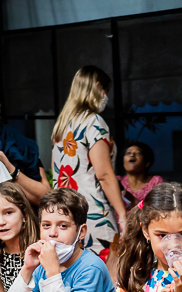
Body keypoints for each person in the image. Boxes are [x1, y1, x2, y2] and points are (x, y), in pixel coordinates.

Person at [3, 187, 118, 292]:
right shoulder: (42, 266)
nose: (52, 233)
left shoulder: (91, 267)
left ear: (81, 232)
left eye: (63, 226)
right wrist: (27, 269)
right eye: (46, 225)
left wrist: (52, 271)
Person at [50, 66, 127, 255]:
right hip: (93, 214)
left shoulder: (62, 125)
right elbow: (104, 174)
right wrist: (122, 214)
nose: (106, 98)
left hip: (63, 213)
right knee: (103, 276)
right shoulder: (93, 122)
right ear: (99, 87)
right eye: (106, 92)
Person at [118, 141, 164, 207]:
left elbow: (159, 209)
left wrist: (131, 199)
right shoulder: (117, 181)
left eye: (138, 153)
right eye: (128, 153)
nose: (132, 155)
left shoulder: (156, 182)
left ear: (147, 163)